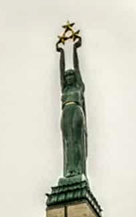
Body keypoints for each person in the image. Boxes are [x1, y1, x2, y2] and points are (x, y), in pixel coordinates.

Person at [57, 35, 87, 180]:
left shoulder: (79, 87)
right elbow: (60, 70)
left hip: (76, 110)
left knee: (75, 140)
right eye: (67, 76)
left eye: (71, 75)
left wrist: (75, 49)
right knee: (67, 142)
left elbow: (77, 67)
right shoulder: (64, 89)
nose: (68, 77)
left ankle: (78, 170)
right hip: (66, 112)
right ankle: (69, 171)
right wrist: (61, 53)